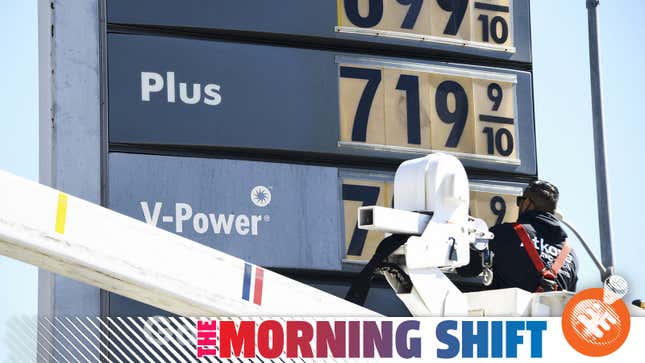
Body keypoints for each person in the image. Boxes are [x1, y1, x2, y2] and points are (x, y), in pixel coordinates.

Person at [458, 180, 578, 292]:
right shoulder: (570, 255)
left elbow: (466, 269)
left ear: (527, 203)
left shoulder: (504, 234)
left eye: (519, 201)